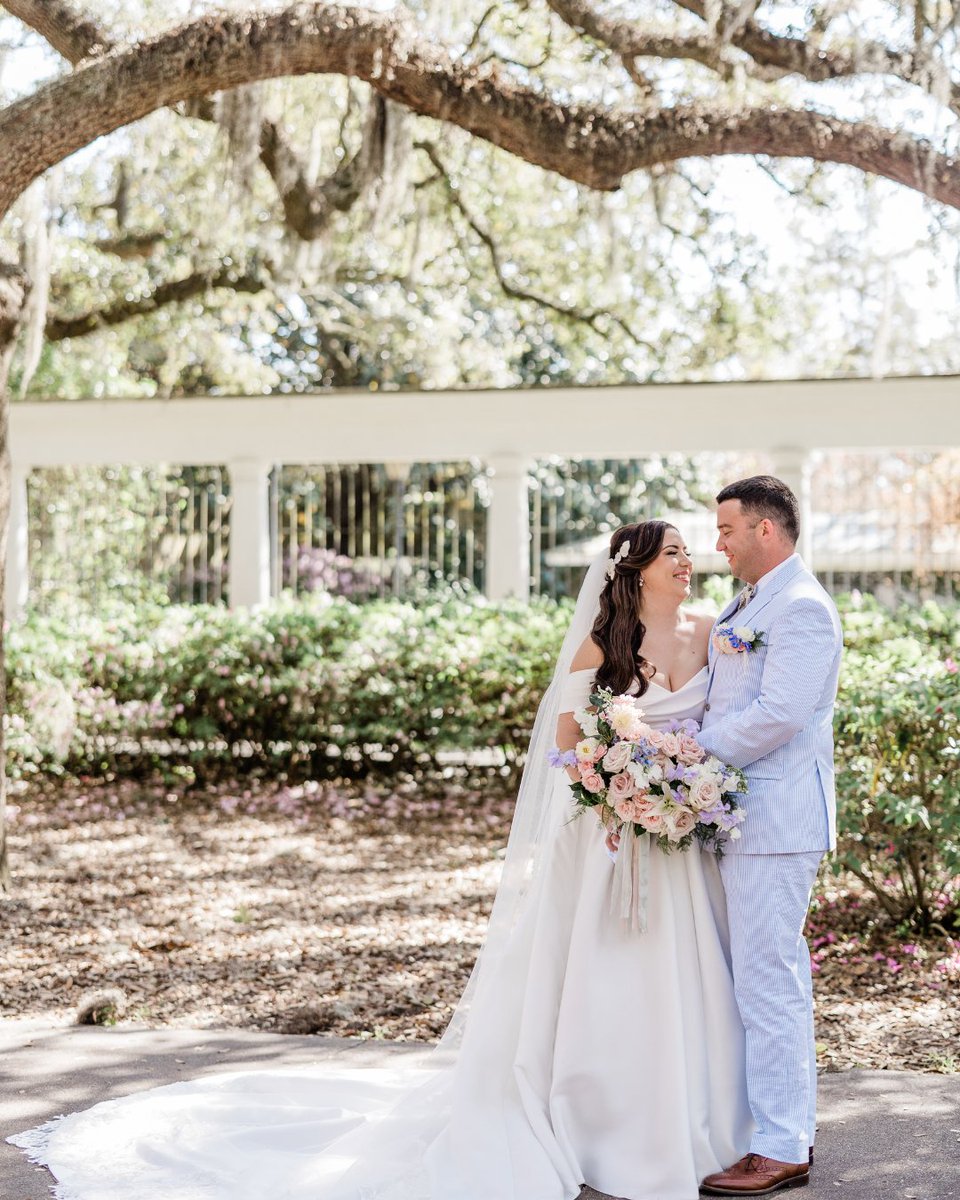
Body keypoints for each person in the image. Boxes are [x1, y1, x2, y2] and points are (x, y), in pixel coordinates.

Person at [10, 519, 752, 1200]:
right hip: (609, 840)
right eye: (674, 553)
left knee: (688, 971)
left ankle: (695, 1115)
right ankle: (602, 1120)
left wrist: (681, 784)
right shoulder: (599, 643)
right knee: (605, 974)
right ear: (636, 570)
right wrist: (619, 785)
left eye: (690, 551)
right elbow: (567, 744)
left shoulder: (711, 629)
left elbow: (729, 716)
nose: (689, 563)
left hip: (678, 834)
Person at [694, 476, 843, 1197]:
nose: (716, 543)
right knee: (752, 982)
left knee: (770, 983)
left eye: (726, 530)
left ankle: (783, 1145)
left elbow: (781, 712)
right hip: (739, 817)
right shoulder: (750, 602)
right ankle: (762, 1129)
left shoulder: (803, 608)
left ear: (765, 530)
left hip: (778, 822)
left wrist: (696, 753)